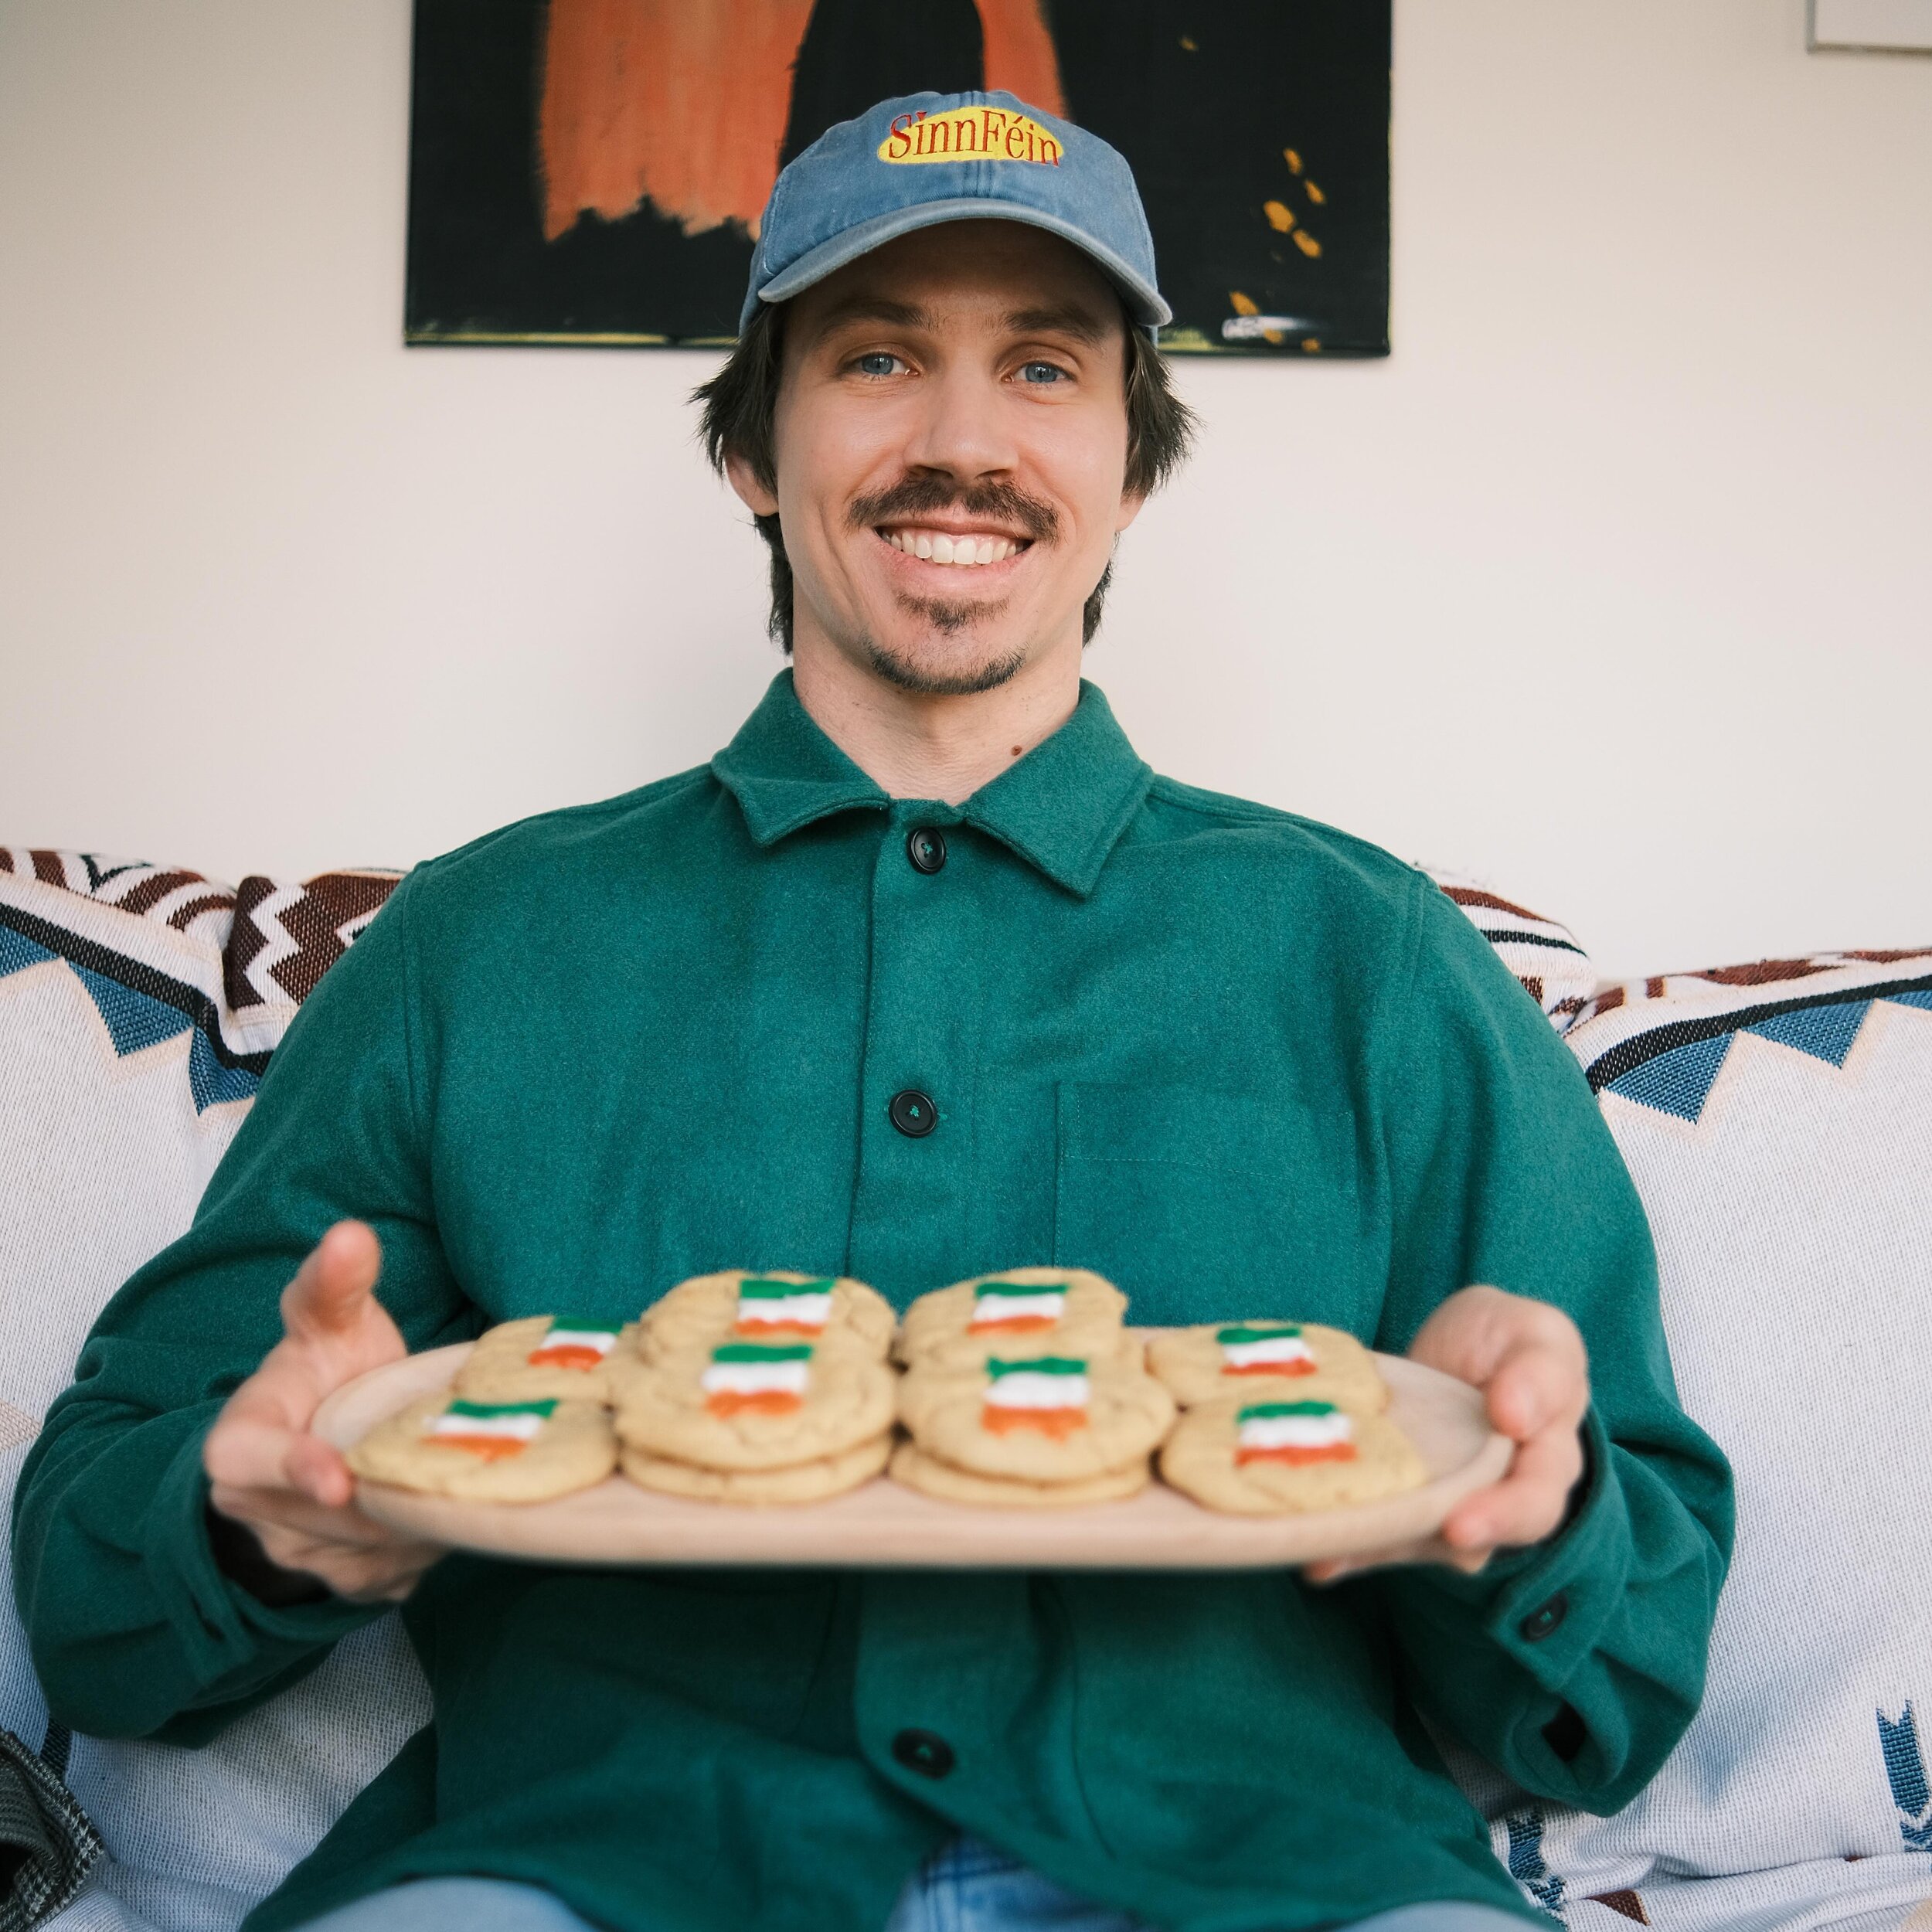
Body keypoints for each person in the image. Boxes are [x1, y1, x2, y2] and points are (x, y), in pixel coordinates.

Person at [12, 92, 1730, 1932]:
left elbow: (1612, 1700)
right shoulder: (472, 948)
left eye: (1046, 366)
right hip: (585, 1866)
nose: (961, 441)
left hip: (1271, 1872)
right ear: (754, 445)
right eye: (880, 354)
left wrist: (1526, 1500)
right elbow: (98, 1605)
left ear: (1129, 467)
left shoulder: (1368, 955)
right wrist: (250, 1506)